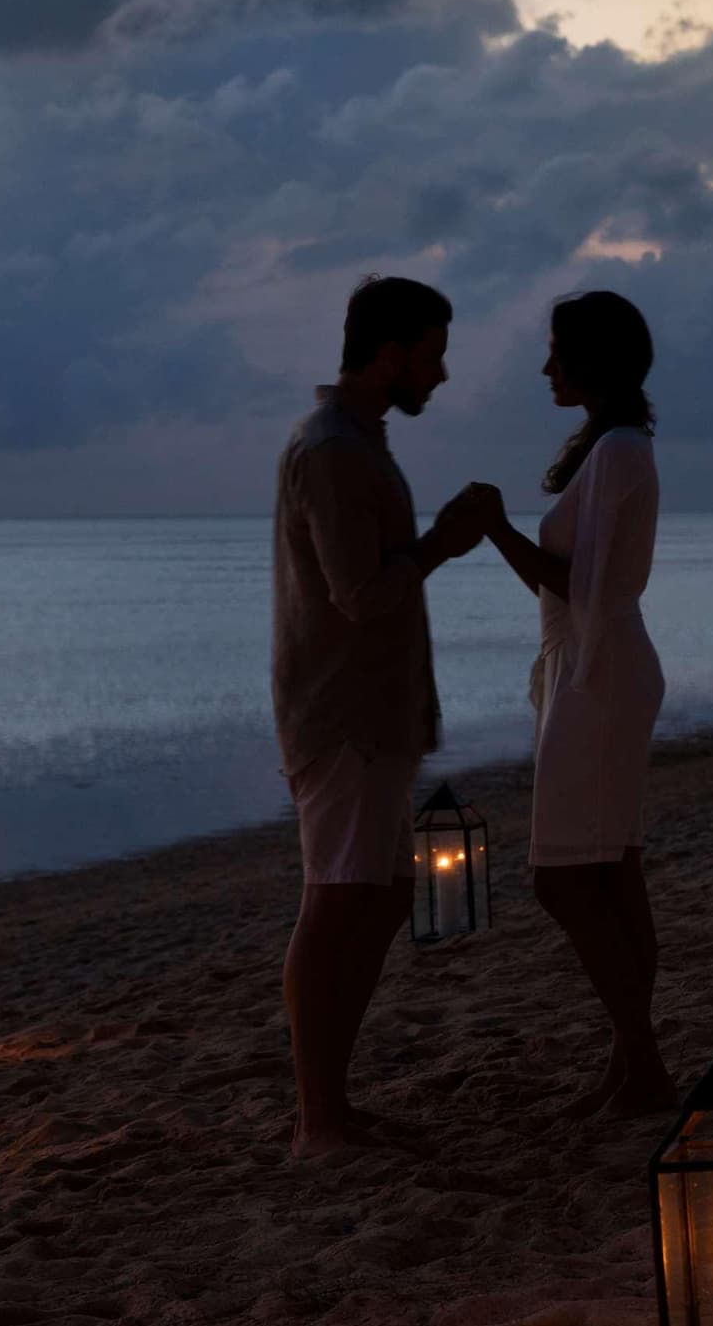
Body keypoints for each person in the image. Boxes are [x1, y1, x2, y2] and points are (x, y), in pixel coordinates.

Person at [273, 275, 490, 1159]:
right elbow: (359, 593)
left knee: (384, 895)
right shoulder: (333, 450)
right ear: (391, 353)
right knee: (335, 902)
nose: (440, 374)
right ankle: (318, 1117)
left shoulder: (358, 442)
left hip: (376, 712)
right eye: (431, 355)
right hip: (344, 715)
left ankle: (332, 1102)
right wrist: (445, 542)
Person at [475, 291, 675, 1117]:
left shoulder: (620, 450)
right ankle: (631, 1067)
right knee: (612, 870)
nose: (545, 367)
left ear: (594, 358)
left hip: (599, 674)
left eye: (558, 351)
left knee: (562, 879)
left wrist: (494, 526)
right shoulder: (613, 447)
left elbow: (576, 586)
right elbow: (578, 588)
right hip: (594, 668)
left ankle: (644, 1064)